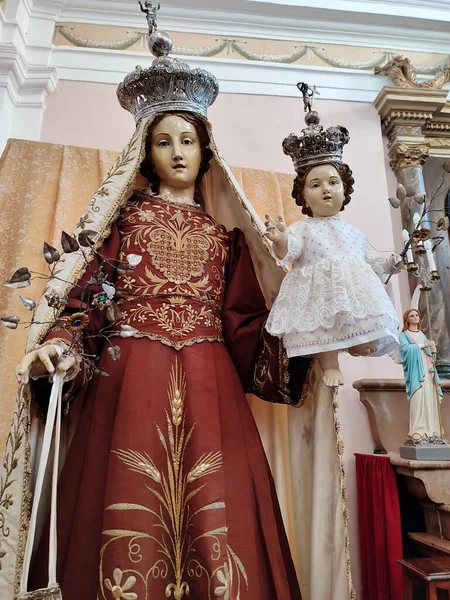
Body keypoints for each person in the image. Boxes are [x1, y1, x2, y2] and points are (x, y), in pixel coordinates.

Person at [0, 17, 309, 600]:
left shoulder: (228, 239)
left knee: (216, 508)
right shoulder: (122, 223)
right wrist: (62, 346)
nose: (177, 152)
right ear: (145, 150)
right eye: (163, 140)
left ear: (206, 149)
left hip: (209, 377)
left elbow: (244, 323)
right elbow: (90, 297)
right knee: (123, 497)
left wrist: (301, 348)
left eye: (187, 140)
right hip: (129, 373)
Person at [264, 103, 400, 387]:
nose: (325, 189)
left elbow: (368, 260)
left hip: (350, 292)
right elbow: (290, 250)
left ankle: (358, 342)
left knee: (363, 315)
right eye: (315, 185)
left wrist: (390, 262)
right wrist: (280, 239)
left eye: (333, 182)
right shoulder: (302, 228)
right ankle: (330, 362)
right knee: (322, 325)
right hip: (319, 292)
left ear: (344, 189)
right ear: (302, 195)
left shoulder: (352, 231)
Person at [399, 308, 444, 442]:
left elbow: (430, 355)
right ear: (407, 319)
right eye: (412, 316)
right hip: (416, 374)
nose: (415, 317)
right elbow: (405, 351)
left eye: (417, 315)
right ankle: (417, 430)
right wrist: (423, 345)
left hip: (428, 371)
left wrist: (433, 350)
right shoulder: (404, 335)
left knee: (430, 398)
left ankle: (432, 430)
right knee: (418, 399)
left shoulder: (422, 334)